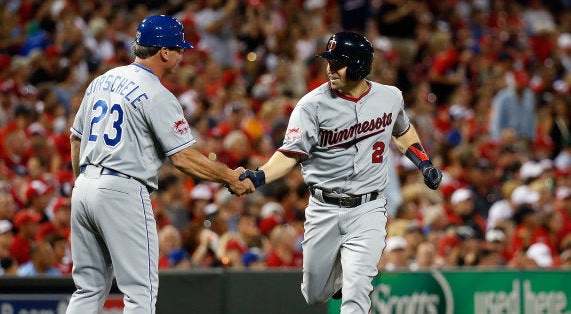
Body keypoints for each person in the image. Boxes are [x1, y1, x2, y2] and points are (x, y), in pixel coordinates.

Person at [239, 32, 442, 313]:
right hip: (324, 209)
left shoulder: (390, 97)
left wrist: (424, 163)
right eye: (329, 62)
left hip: (369, 208)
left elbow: (403, 131)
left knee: (358, 293)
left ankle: (351, 277)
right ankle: (337, 278)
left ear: (360, 65)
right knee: (314, 294)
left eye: (338, 63)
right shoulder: (312, 105)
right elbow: (290, 154)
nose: (329, 69)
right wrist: (259, 176)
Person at [66, 15, 253, 314]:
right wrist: (230, 176)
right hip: (122, 189)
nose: (181, 54)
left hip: (85, 186)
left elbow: (76, 139)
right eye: (179, 49)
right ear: (164, 52)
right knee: (141, 291)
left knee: (88, 288)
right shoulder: (156, 93)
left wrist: (83, 183)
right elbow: (183, 157)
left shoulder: (101, 80)